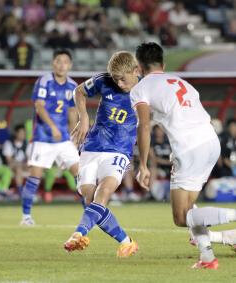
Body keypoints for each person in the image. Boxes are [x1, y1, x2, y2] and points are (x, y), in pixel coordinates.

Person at [130, 42, 236, 269]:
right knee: (191, 211)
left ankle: (226, 232)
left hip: (189, 149)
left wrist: (145, 166)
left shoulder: (141, 88)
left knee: (181, 217)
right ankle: (208, 256)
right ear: (163, 64)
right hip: (210, 142)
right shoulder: (183, 83)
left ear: (138, 68)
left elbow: (144, 126)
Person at [63, 51, 139, 258]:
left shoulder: (146, 90)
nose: (120, 83)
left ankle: (78, 234)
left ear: (136, 71)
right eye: (116, 79)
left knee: (103, 192)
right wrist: (84, 118)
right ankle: (127, 242)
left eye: (123, 78)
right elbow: (79, 91)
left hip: (119, 150)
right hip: (92, 146)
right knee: (90, 201)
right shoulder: (103, 81)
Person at [20, 49, 79, 226]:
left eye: (65, 62)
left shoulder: (73, 86)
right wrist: (52, 126)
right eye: (58, 61)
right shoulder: (44, 81)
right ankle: (26, 217)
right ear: (53, 63)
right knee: (35, 177)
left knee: (82, 176)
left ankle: (91, 216)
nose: (62, 65)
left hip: (63, 140)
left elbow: (72, 111)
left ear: (70, 65)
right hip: (43, 138)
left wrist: (73, 134)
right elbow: (39, 106)